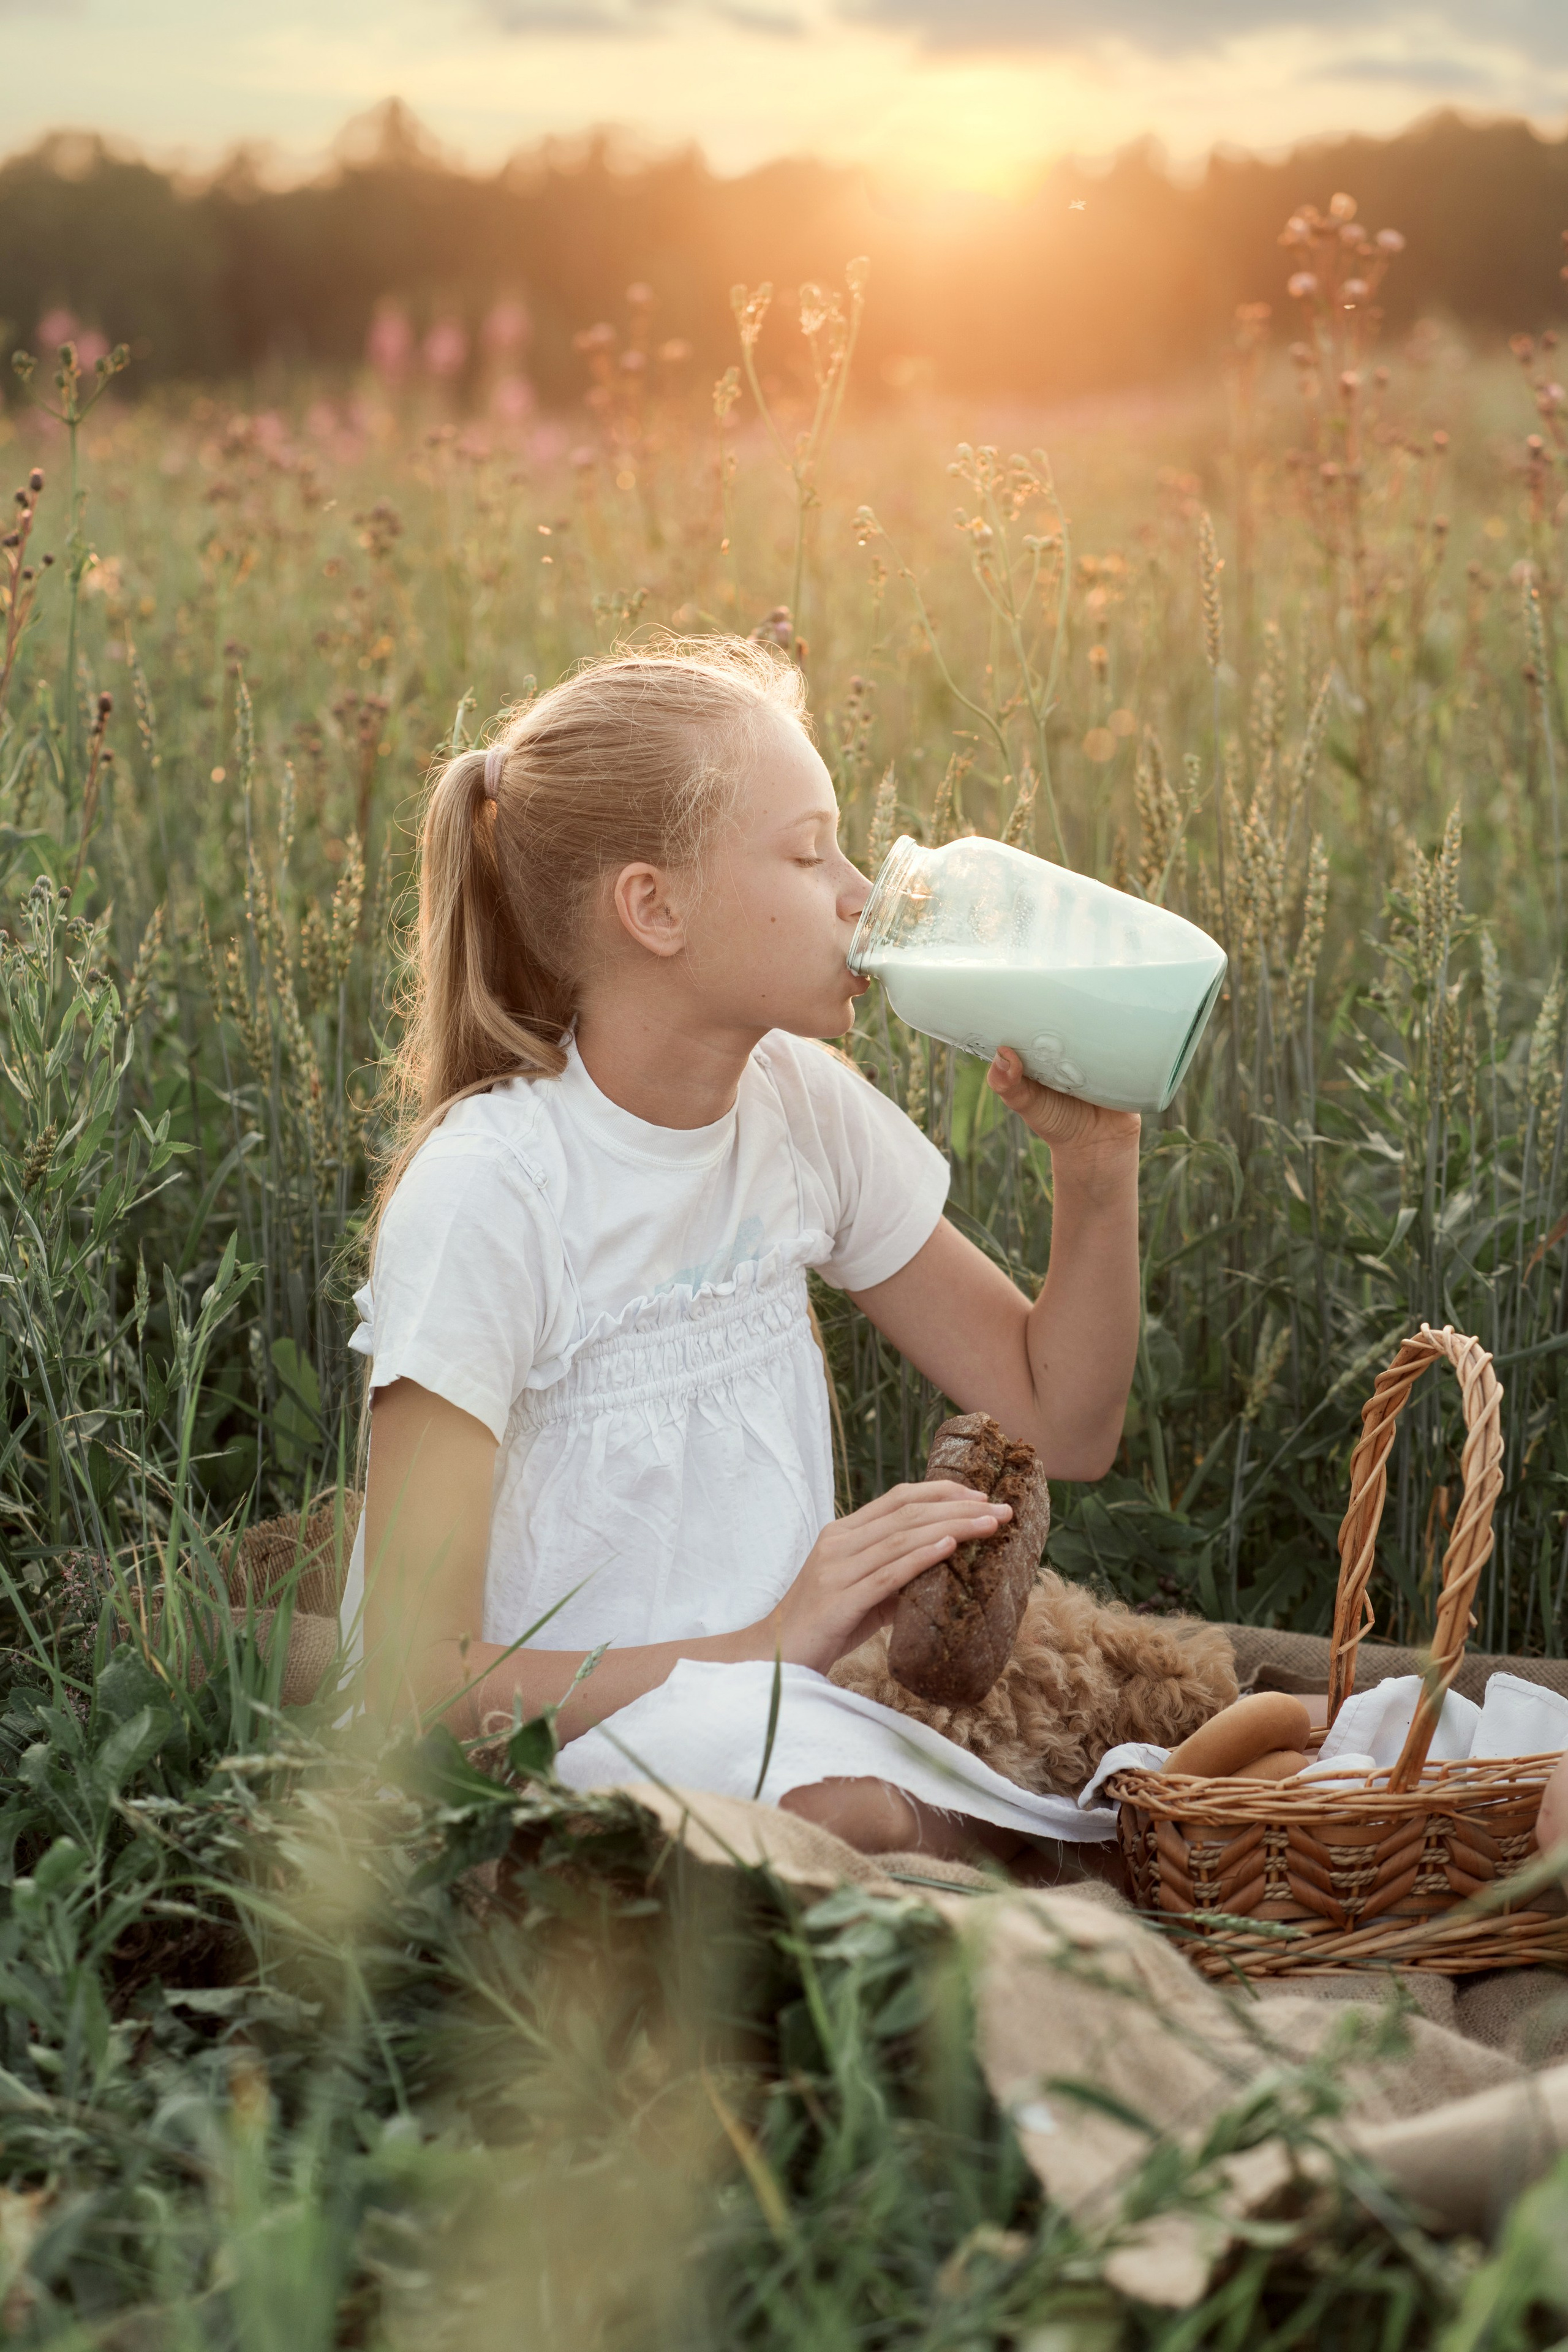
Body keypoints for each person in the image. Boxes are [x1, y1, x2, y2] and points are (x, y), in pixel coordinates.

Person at [341, 637, 1142, 1862]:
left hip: (771, 1721)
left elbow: (1063, 1420)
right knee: (855, 1819)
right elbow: (413, 1688)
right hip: (541, 1759)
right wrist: (768, 1643)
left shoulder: (796, 1108)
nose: (861, 895)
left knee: (1173, 1763)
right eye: (808, 849)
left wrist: (1094, 1171)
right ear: (654, 906)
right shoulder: (492, 1193)